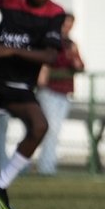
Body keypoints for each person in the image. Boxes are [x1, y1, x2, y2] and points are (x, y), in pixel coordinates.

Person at [0, 0, 66, 209]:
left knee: (40, 127)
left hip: (17, 83)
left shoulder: (55, 14)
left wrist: (8, 50)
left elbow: (50, 56)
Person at [36, 13, 85, 175]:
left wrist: (74, 58)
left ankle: (48, 165)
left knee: (55, 130)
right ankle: (44, 166)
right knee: (49, 128)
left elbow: (80, 66)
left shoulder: (71, 44)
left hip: (64, 92)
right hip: (50, 90)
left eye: (70, 24)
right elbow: (48, 62)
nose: (67, 27)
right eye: (65, 24)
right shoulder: (51, 42)